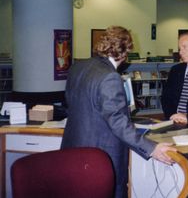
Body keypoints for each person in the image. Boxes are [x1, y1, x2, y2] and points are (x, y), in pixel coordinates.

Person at [61, 26, 176, 198]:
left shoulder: (78, 67)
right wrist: (151, 148)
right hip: (99, 157)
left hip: (72, 152)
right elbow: (118, 123)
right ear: (125, 51)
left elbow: (70, 103)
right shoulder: (110, 77)